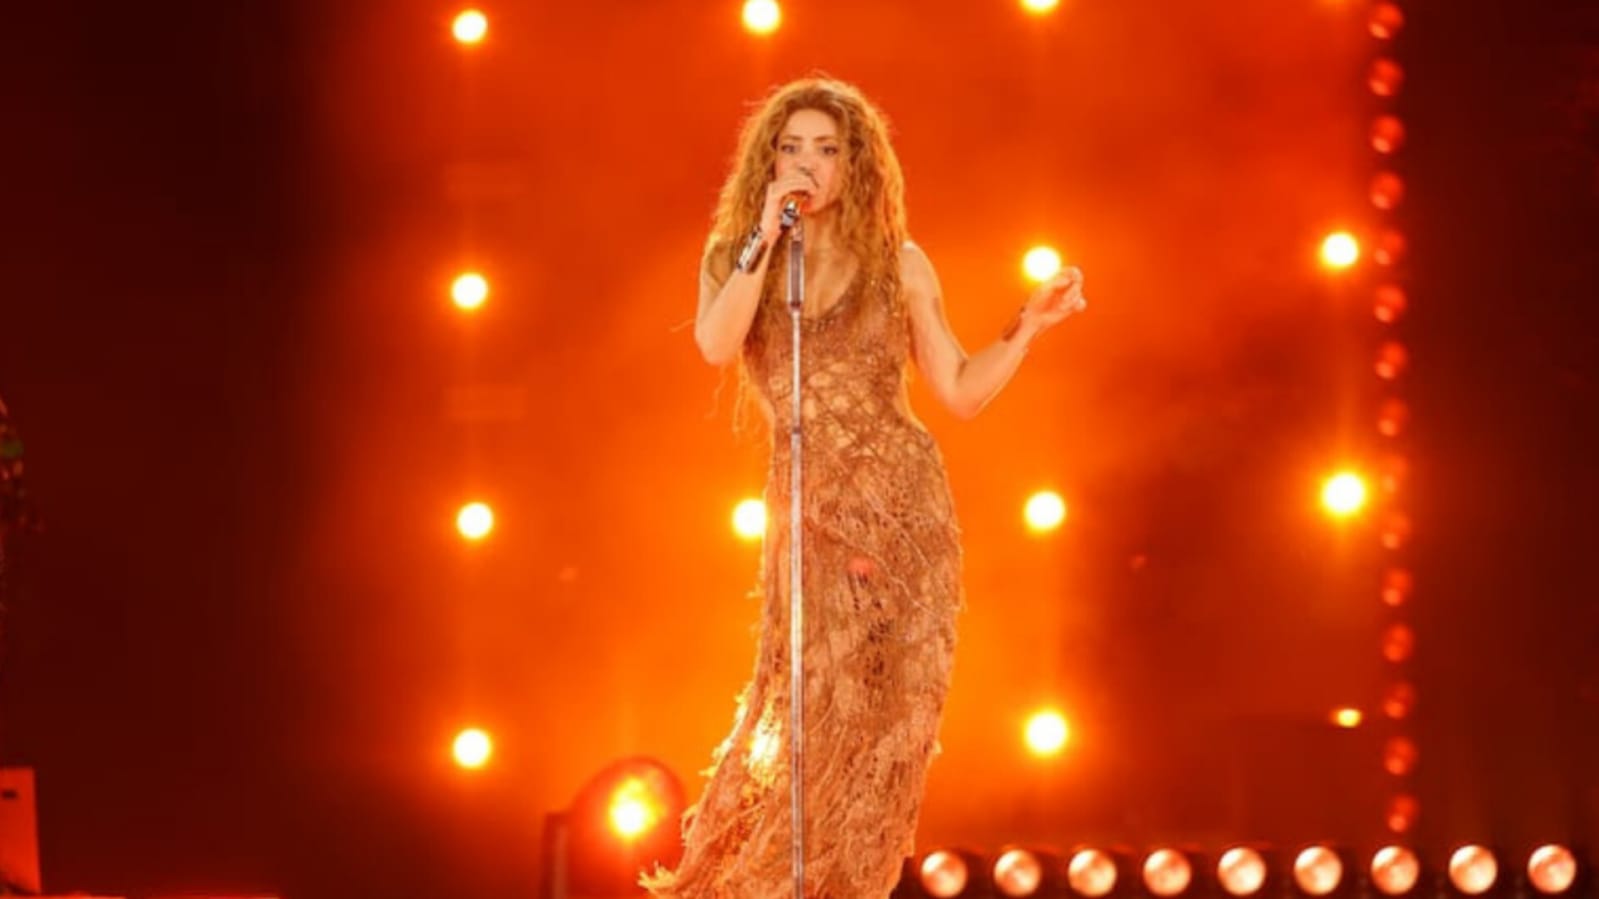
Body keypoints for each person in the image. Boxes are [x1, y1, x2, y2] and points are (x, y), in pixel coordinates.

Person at [644, 76, 1086, 898]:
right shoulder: (739, 255)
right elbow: (714, 344)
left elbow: (957, 389)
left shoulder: (899, 263)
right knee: (820, 722)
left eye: (826, 149)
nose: (807, 164)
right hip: (811, 515)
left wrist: (1026, 325)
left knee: (887, 738)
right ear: (768, 162)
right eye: (791, 148)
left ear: (855, 165)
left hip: (904, 510)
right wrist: (763, 236)